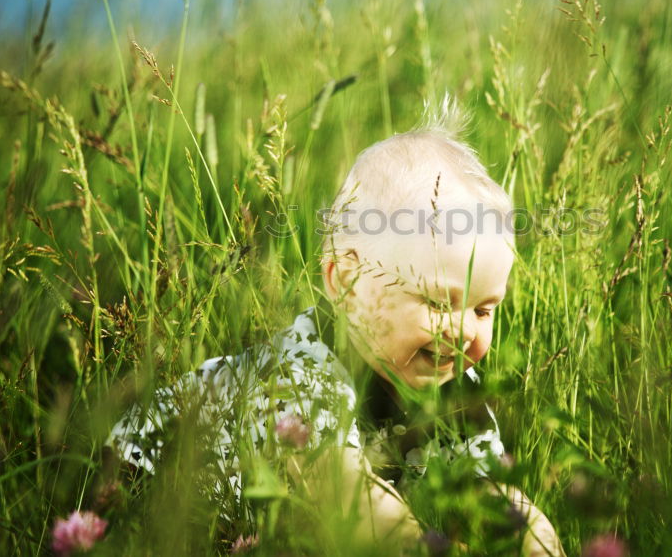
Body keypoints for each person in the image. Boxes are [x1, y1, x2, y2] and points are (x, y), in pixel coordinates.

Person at [105, 96, 563, 555]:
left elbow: (483, 492)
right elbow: (354, 507)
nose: (465, 332)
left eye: (483, 311)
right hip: (142, 479)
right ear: (347, 282)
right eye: (440, 302)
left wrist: (531, 538)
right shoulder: (303, 375)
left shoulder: (457, 384)